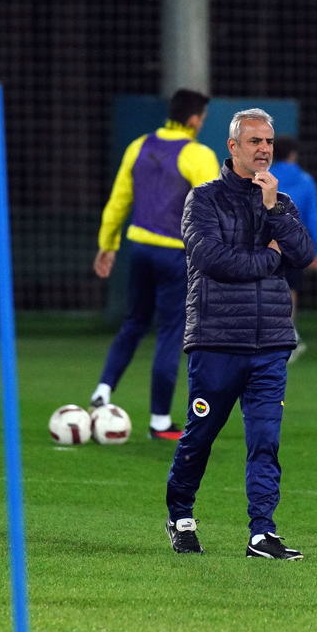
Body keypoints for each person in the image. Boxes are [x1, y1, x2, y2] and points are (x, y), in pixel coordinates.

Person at [164, 109, 315, 558]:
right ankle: (180, 516)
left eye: (268, 141)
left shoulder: (280, 202)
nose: (264, 149)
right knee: (200, 436)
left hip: (271, 343)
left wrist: (272, 211)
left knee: (265, 441)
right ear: (233, 147)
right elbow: (214, 261)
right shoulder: (203, 199)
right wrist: (271, 258)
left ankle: (262, 534)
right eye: (254, 141)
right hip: (217, 341)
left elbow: (304, 253)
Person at [90, 89, 220, 441]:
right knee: (170, 333)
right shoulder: (198, 155)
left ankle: (103, 390)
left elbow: (119, 199)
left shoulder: (139, 146)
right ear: (193, 119)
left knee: (134, 323)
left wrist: (107, 245)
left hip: (140, 251)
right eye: (203, 118)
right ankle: (160, 421)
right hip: (175, 256)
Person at [269, 135, 317, 363]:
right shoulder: (305, 181)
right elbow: (314, 218)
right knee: (290, 290)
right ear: (293, 154)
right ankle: (287, 338)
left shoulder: (264, 177)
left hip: (267, 241)